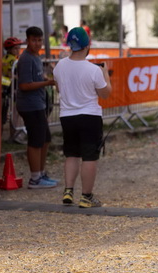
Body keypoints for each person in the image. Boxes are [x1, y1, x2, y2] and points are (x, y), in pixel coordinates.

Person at [53, 27, 112, 208]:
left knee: (71, 154)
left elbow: (58, 88)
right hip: (89, 116)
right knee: (89, 156)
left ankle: (68, 191)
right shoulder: (93, 70)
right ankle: (86, 196)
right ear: (87, 46)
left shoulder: (60, 66)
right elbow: (105, 94)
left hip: (67, 116)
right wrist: (106, 74)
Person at [16, 26, 58, 189]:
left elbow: (36, 78)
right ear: (27, 40)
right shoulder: (26, 59)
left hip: (38, 103)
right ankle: (35, 178)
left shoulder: (36, 57)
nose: (37, 43)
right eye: (34, 40)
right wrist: (47, 83)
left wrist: (46, 79)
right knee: (35, 140)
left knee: (45, 139)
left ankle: (41, 173)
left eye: (40, 40)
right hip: (30, 105)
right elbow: (24, 85)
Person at [1, 37, 23, 127]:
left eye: (19, 48)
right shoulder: (13, 60)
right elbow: (12, 74)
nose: (18, 50)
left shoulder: (4, 58)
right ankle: (13, 132)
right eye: (15, 48)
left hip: (5, 87)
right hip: (12, 87)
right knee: (14, 112)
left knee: (5, 112)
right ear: (9, 49)